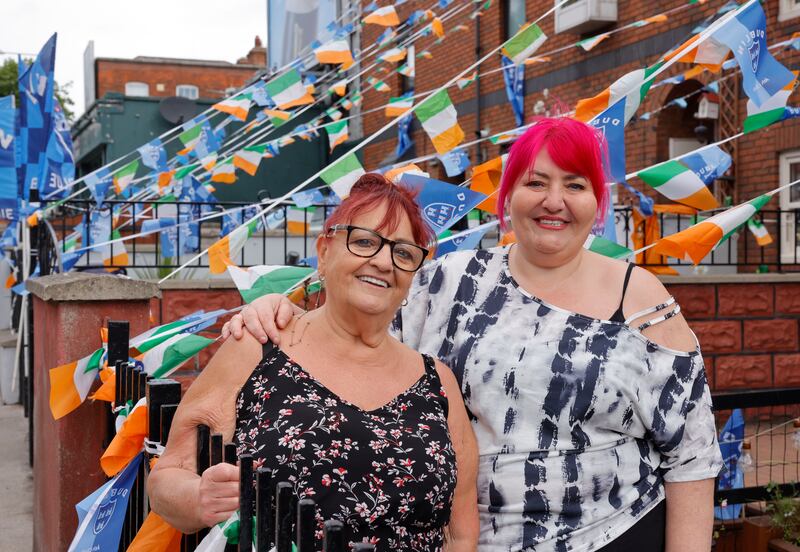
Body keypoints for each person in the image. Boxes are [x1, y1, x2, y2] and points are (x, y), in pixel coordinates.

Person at [224, 117, 723, 552]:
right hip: (469, 538)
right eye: (536, 182)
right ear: (508, 196)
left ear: (597, 201)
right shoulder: (449, 281)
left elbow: (693, 454)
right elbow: (354, 321)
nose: (555, 201)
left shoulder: (641, 299)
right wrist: (282, 309)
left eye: (575, 185)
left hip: (613, 534)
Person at [148, 174, 479, 551]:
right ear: (324, 252)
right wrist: (198, 497)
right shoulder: (259, 346)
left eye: (403, 253)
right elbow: (166, 479)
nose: (384, 262)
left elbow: (461, 534)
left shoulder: (438, 381)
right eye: (365, 241)